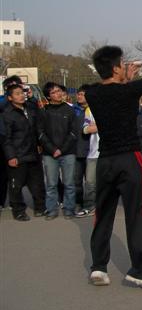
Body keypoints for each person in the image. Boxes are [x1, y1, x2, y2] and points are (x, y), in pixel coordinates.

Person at [85, 46, 142, 290]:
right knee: (136, 215)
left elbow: (115, 92)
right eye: (122, 63)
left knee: (103, 214)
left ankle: (98, 267)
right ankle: (139, 271)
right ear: (116, 68)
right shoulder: (129, 90)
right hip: (129, 159)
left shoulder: (93, 93)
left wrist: (124, 77)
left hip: (105, 160)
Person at [2, 84, 46, 221]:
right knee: (16, 185)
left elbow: (39, 125)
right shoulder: (7, 114)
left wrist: (39, 145)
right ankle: (18, 211)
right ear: (10, 98)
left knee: (37, 183)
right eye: (17, 93)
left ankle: (40, 207)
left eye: (22, 92)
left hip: (33, 153)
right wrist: (11, 156)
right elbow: (6, 138)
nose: (21, 95)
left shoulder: (30, 108)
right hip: (18, 155)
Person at [38, 82, 77, 220]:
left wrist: (62, 149)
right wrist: (52, 149)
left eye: (59, 90)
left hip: (68, 153)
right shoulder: (43, 111)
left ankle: (69, 209)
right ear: (48, 96)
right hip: (49, 154)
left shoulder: (70, 110)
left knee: (69, 183)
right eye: (54, 92)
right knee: (51, 184)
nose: (58, 94)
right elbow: (40, 133)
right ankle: (51, 210)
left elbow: (74, 132)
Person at [0, 75, 24, 212]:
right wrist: (9, 96)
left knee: (18, 175)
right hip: (4, 139)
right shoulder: (3, 101)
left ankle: (16, 202)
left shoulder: (26, 101)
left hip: (21, 142)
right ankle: (2, 201)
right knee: (3, 174)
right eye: (13, 86)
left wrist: (31, 98)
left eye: (18, 85)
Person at [73, 85, 92, 217]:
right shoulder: (73, 111)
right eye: (78, 94)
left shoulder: (94, 110)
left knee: (91, 182)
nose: (79, 96)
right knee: (76, 180)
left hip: (92, 151)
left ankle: (91, 204)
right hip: (77, 150)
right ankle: (78, 202)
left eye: (82, 94)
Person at [80, 104, 99, 218]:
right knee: (90, 182)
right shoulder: (89, 109)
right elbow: (85, 130)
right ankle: (89, 206)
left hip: (110, 153)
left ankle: (105, 206)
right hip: (93, 153)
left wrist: (95, 126)